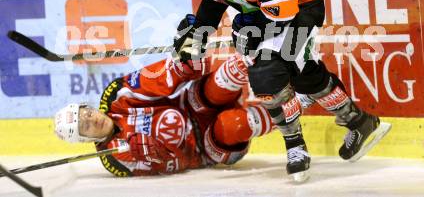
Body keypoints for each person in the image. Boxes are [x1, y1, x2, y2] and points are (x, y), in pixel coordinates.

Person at [174, 0, 391, 183]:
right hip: (272, 8)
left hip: (301, 1)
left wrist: (254, 30)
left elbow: (285, 9)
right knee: (297, 73)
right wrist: (199, 32)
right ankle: (360, 122)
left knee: (269, 70)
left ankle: (296, 146)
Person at [54, 54, 274, 176]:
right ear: (86, 139)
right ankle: (293, 108)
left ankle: (270, 54)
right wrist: (156, 156)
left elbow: (154, 81)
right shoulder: (116, 160)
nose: (92, 119)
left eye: (87, 112)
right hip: (204, 148)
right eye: (86, 127)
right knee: (234, 125)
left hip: (193, 103)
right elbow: (177, 164)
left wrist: (180, 66)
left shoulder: (116, 98)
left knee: (229, 72)